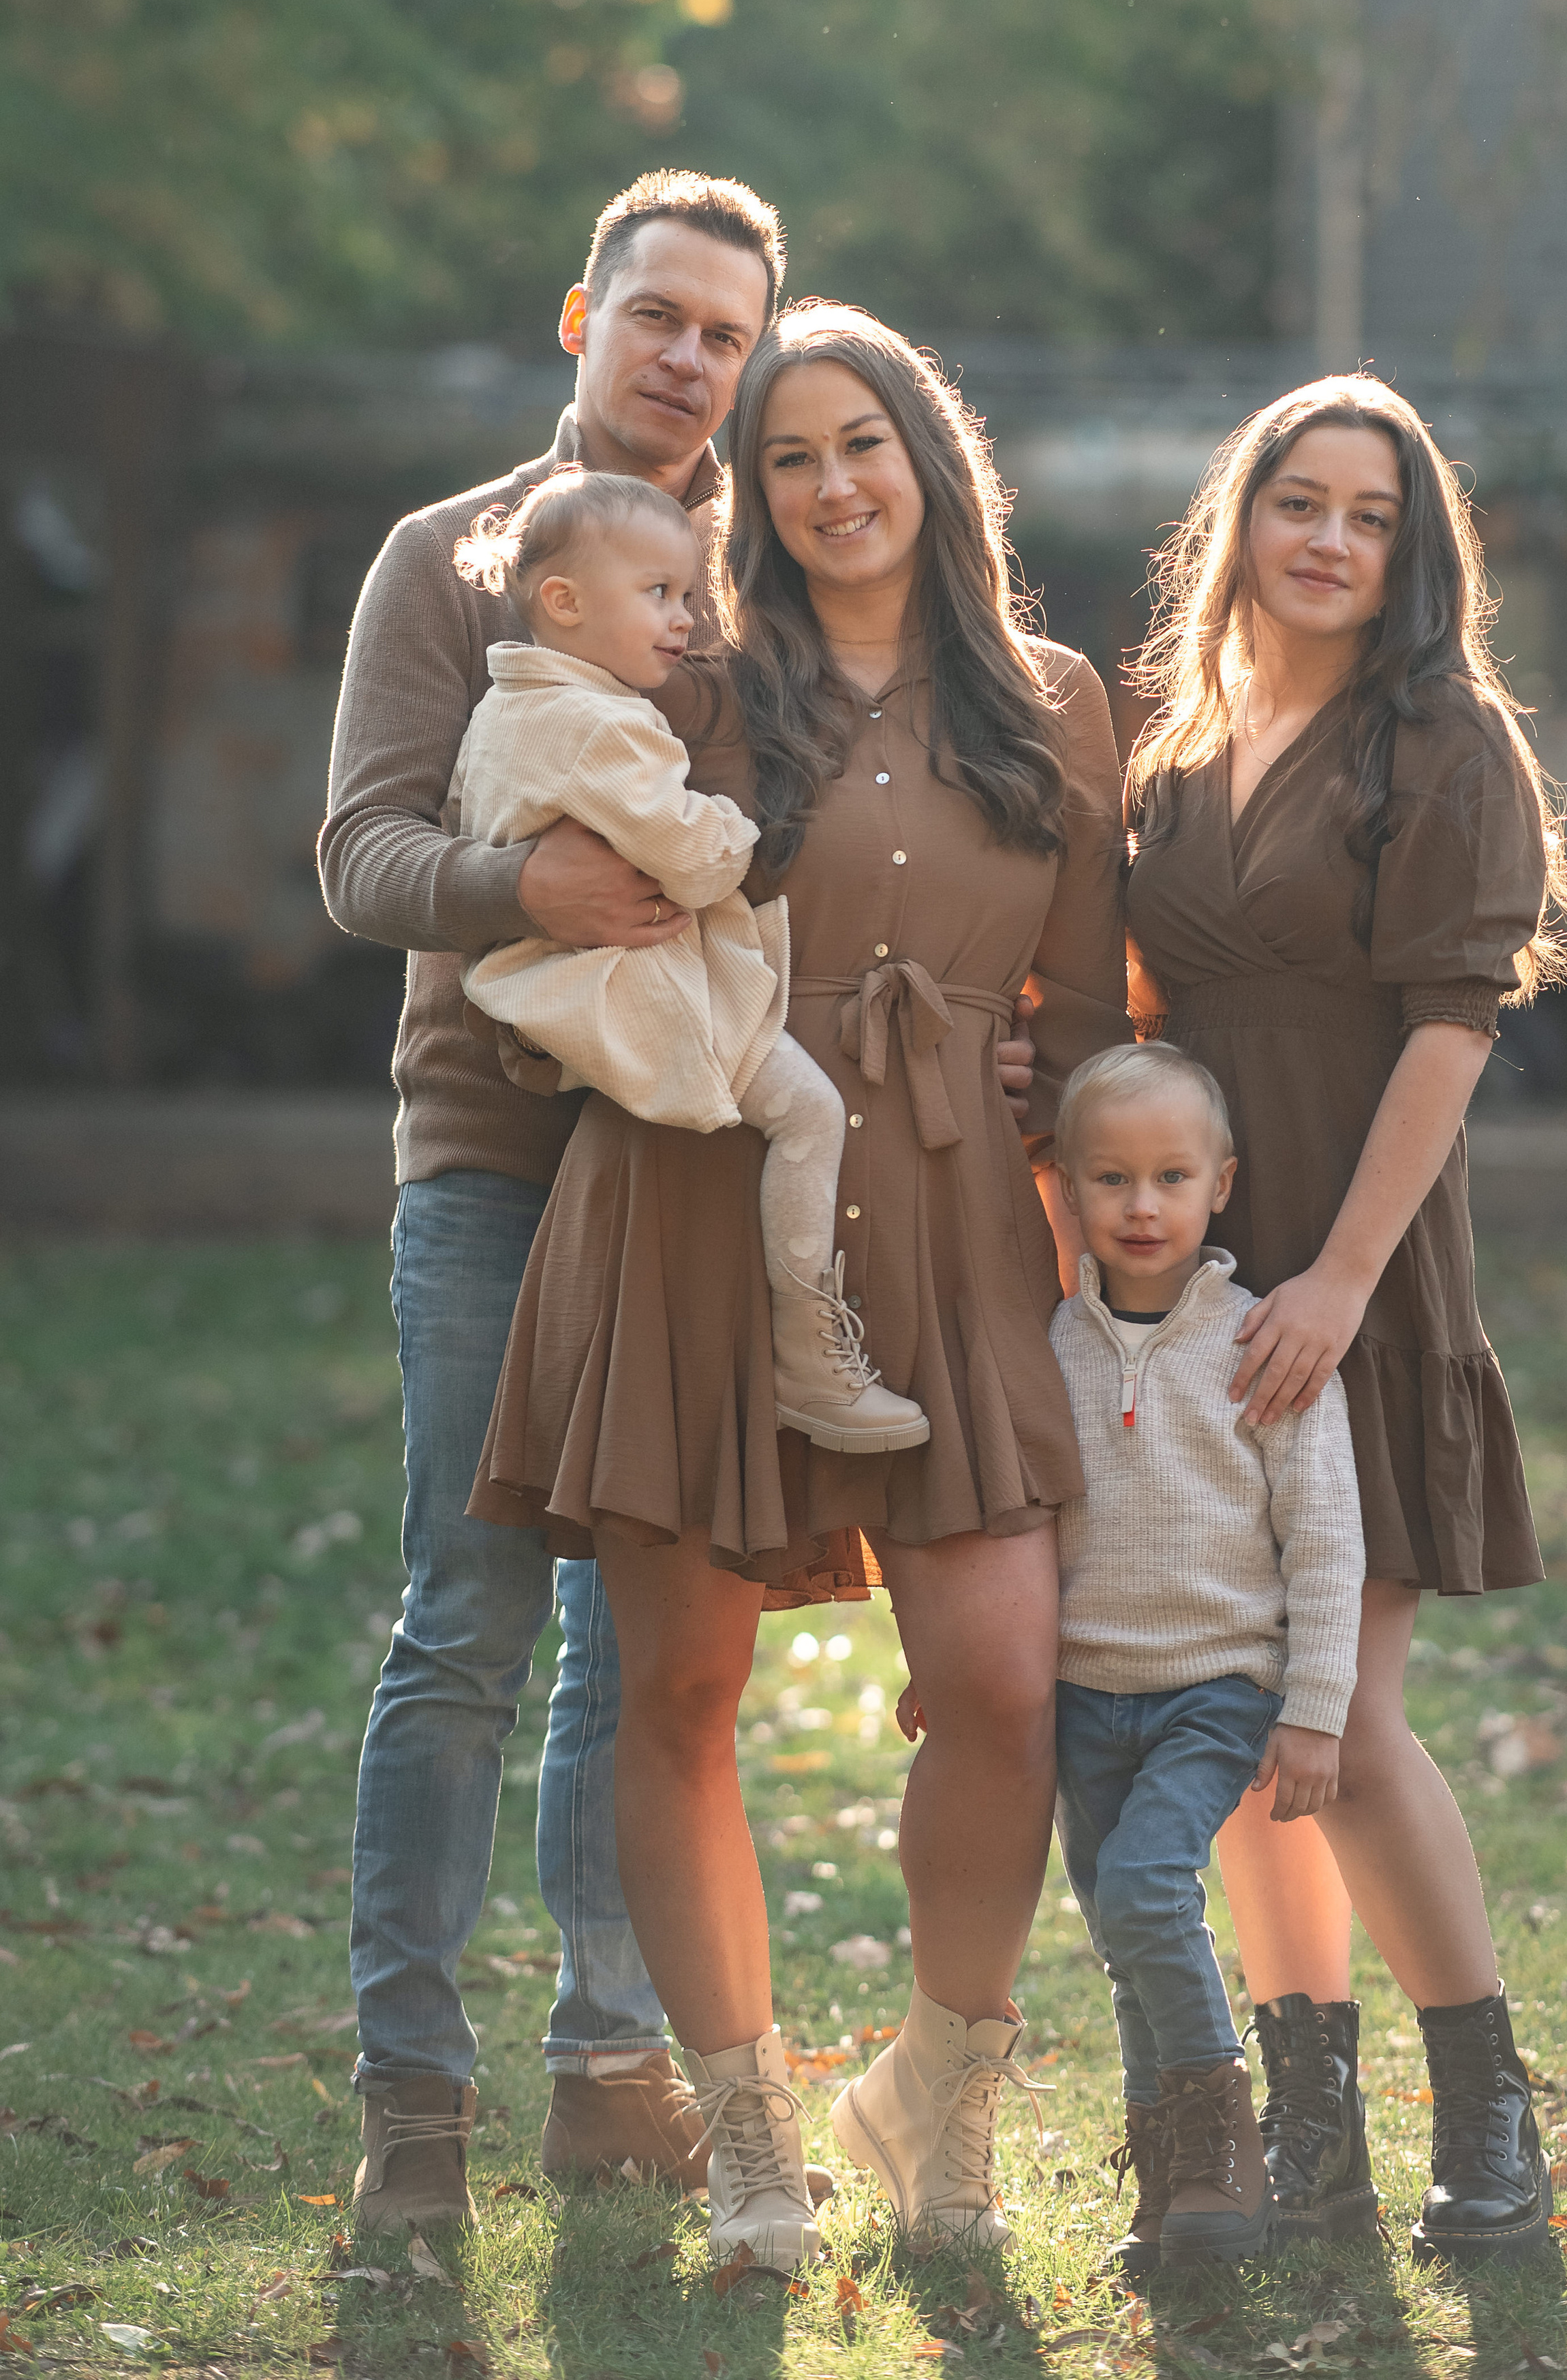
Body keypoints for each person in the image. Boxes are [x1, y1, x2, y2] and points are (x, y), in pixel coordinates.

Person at [465, 303, 1130, 2268]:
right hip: (692, 1185)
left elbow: (1087, 1016)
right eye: (786, 459)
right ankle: (748, 2121)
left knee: (1004, 1684)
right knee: (678, 1683)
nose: (832, 487)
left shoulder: (1054, 697)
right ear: (745, 498)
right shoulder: (692, 679)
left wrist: (1064, 1097)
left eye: (865, 444)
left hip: (945, 1214)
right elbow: (517, 844)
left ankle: (936, 2089)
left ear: (933, 458)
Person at [317, 170, 790, 2232]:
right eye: (661, 316)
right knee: (469, 1621)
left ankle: (610, 2066)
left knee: (640, 1640)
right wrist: (532, 889)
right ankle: (413, 2095)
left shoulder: (750, 582)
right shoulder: (452, 561)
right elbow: (359, 856)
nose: (691, 357)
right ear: (580, 318)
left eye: (728, 332)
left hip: (683, 1170)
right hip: (497, 1166)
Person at [1119, 372, 1567, 2265]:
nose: (1325, 537)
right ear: (1241, 518)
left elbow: (1453, 1029)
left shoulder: (1442, 738)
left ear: (1409, 552)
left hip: (1354, 1279)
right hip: (1195, 1294)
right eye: (1296, 500)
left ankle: (1489, 2110)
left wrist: (1337, 1278)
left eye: (1367, 515)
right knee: (1236, 1718)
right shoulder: (1179, 738)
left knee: (1350, 1715)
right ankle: (1310, 2124)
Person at [450, 467, 927, 1450]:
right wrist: (738, 829)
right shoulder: (599, 726)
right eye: (659, 595)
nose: (685, 619)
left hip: (563, 991)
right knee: (806, 1113)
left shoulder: (511, 709)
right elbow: (695, 860)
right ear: (565, 602)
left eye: (689, 593)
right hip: (632, 989)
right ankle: (810, 1352)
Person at [1046, 1041, 1363, 2270]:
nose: (1142, 1204)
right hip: (1081, 1695)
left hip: (1215, 1686)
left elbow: (1325, 1536)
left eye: (1171, 1176)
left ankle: (1226, 2136)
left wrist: (1317, 1707)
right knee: (1126, 1946)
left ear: (1219, 1184)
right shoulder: (1054, 1343)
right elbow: (1021, 1533)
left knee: (1141, 1893)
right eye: (1113, 1178)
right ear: (1068, 1187)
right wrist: (975, 1668)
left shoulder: (1260, 1342)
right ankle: (1177, 2194)